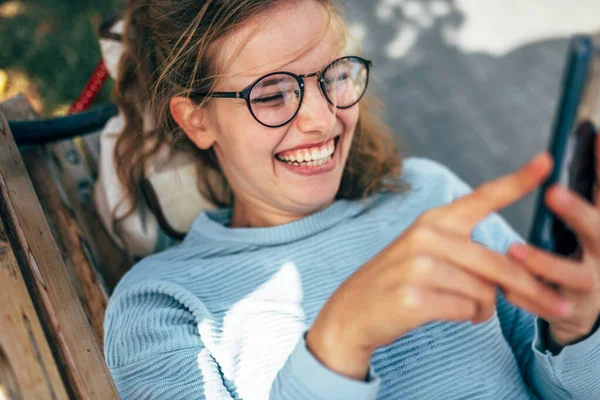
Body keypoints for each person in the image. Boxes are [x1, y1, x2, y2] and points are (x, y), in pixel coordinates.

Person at [103, 0, 600, 399]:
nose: (323, 119)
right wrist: (338, 342)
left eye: (335, 76)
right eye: (272, 94)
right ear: (197, 120)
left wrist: (577, 332)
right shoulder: (161, 303)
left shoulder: (432, 195)